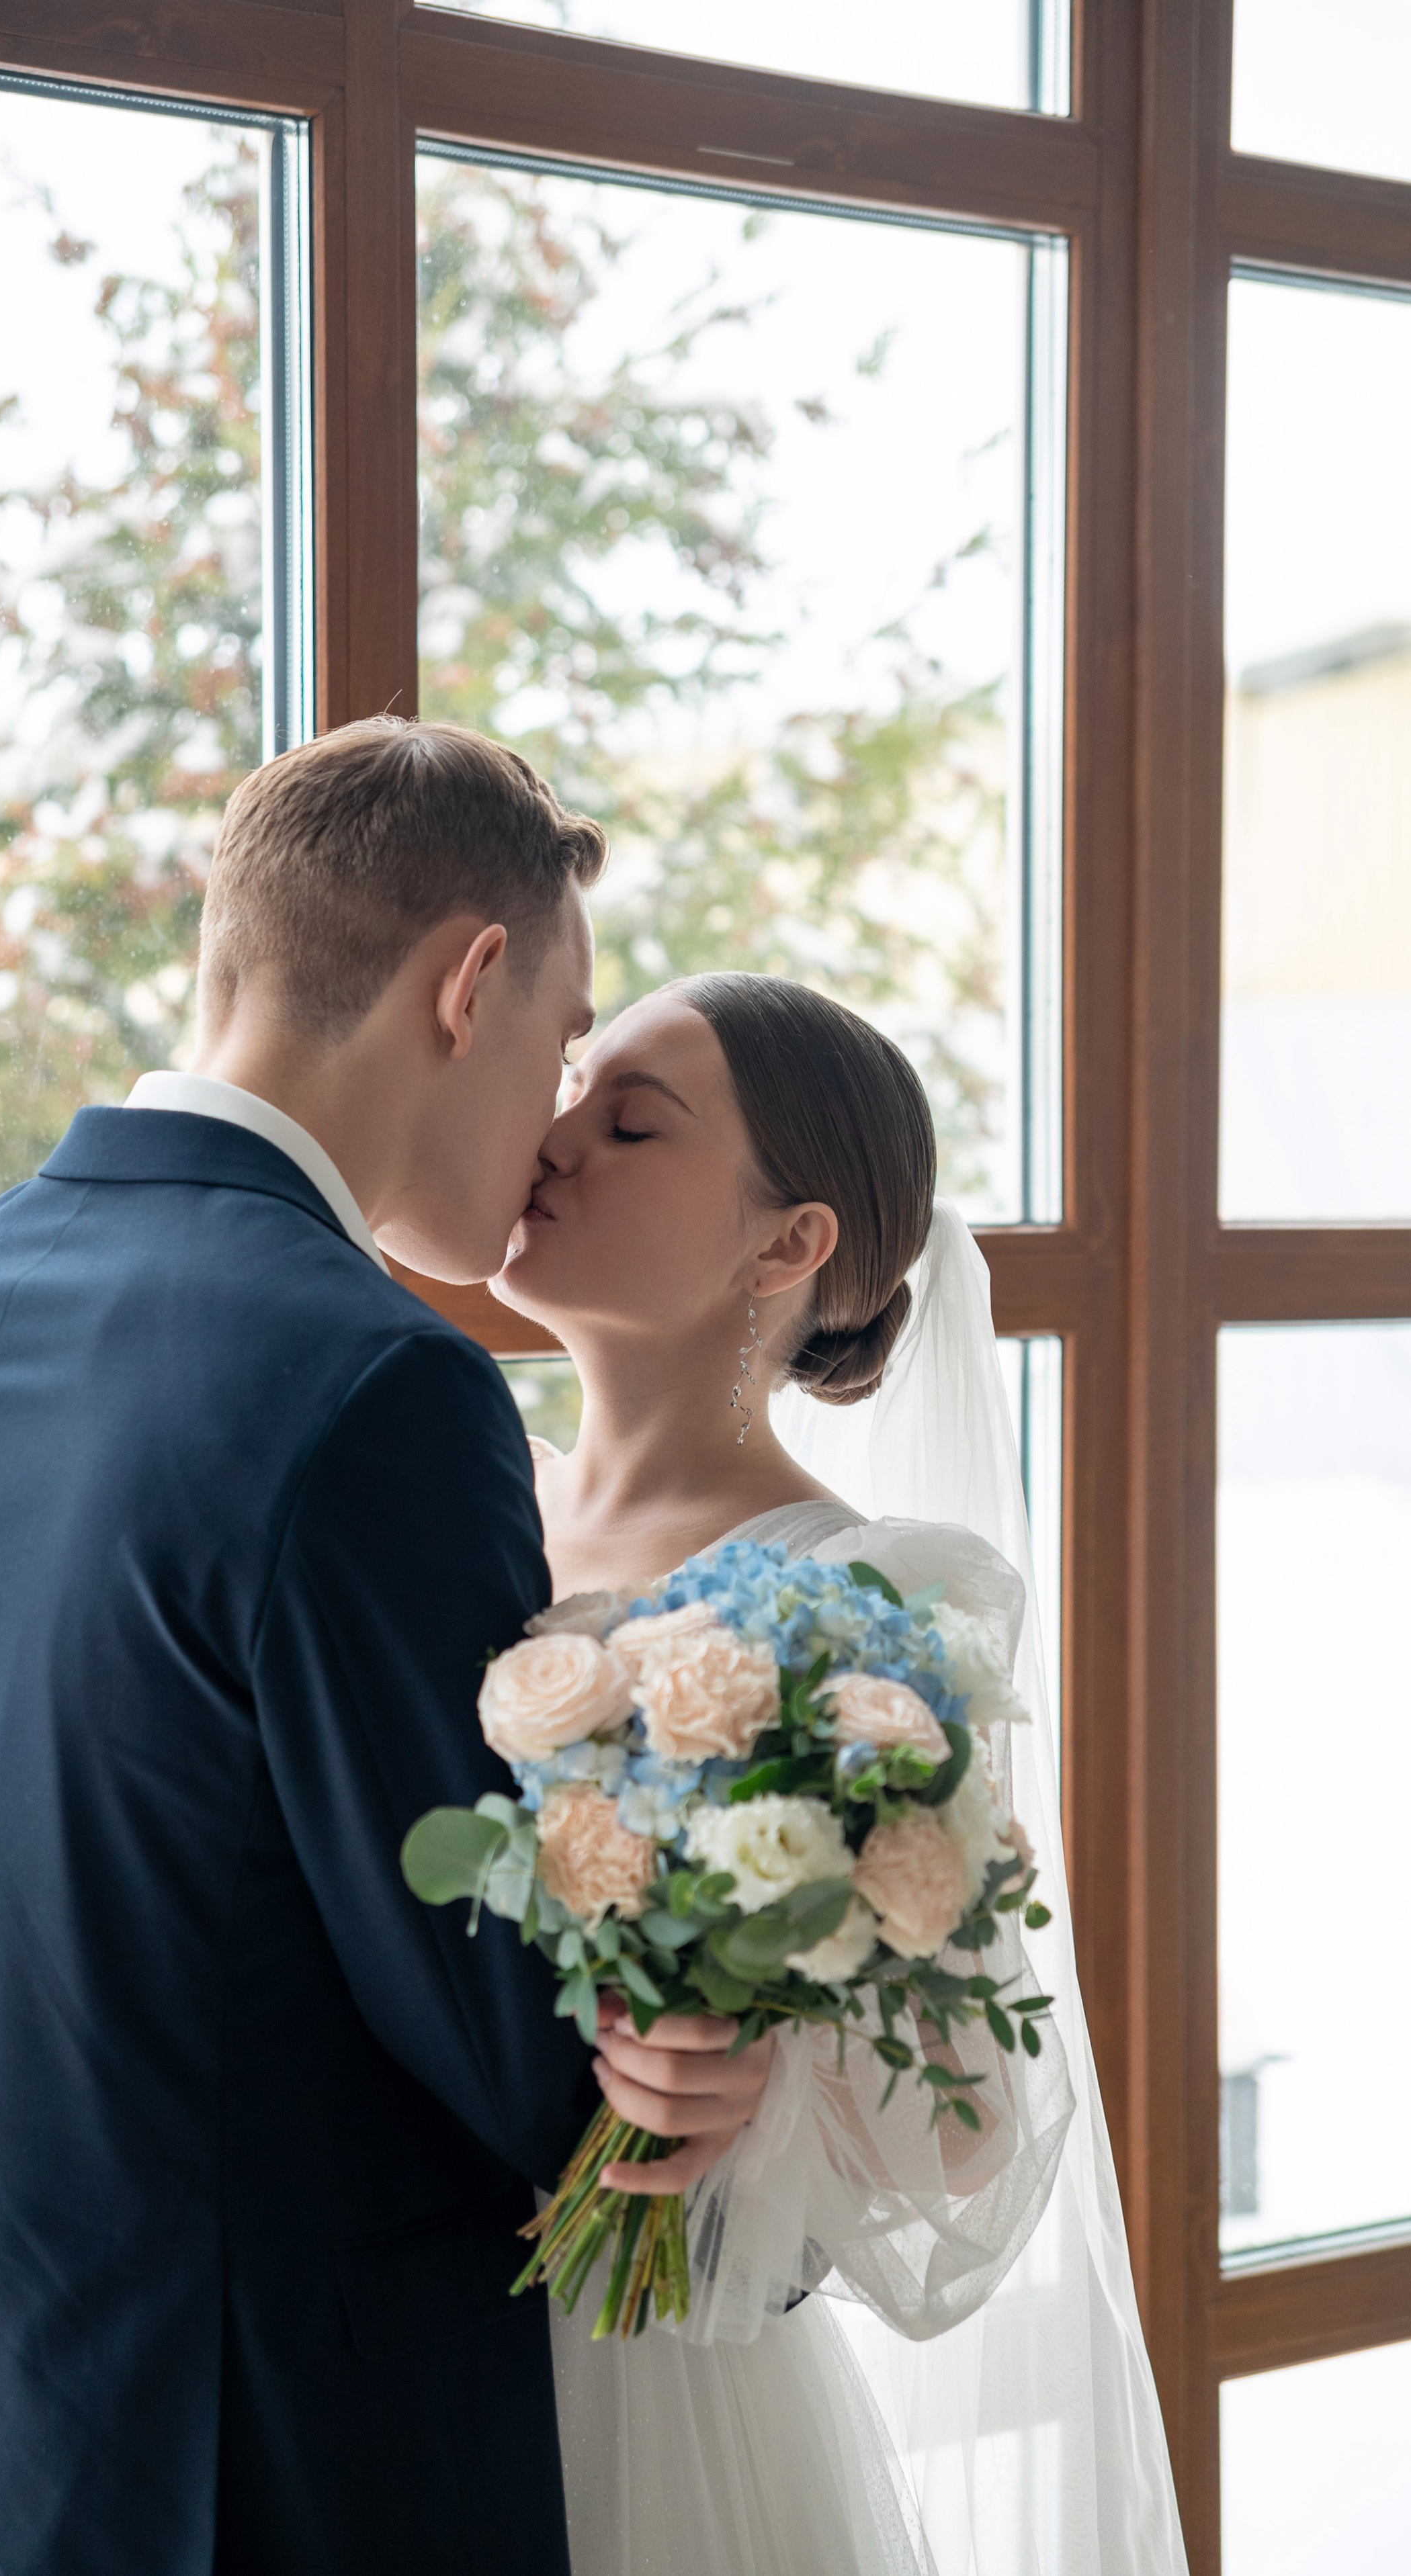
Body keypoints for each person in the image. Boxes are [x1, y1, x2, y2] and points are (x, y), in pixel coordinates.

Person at [0, 721, 776, 2576]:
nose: (551, 1114)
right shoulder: (379, 1384)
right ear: (470, 983)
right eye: (561, 1030)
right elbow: (511, 2049)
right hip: (240, 2471)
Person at [490, 972, 1191, 2576]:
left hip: (642, 2386)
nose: (557, 1135)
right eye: (572, 1083)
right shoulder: (459, 1480)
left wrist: (753, 2078)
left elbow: (971, 2122)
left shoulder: (868, 1601)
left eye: (629, 1118)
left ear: (787, 1243)